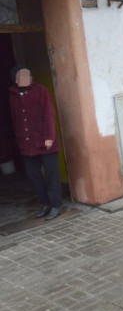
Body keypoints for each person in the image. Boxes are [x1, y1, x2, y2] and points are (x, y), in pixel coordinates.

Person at [8, 66, 63, 220]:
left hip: (46, 142)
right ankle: (45, 203)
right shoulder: (13, 95)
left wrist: (50, 137)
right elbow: (15, 120)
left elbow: (48, 114)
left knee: (52, 175)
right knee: (34, 176)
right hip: (27, 144)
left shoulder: (41, 91)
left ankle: (55, 205)